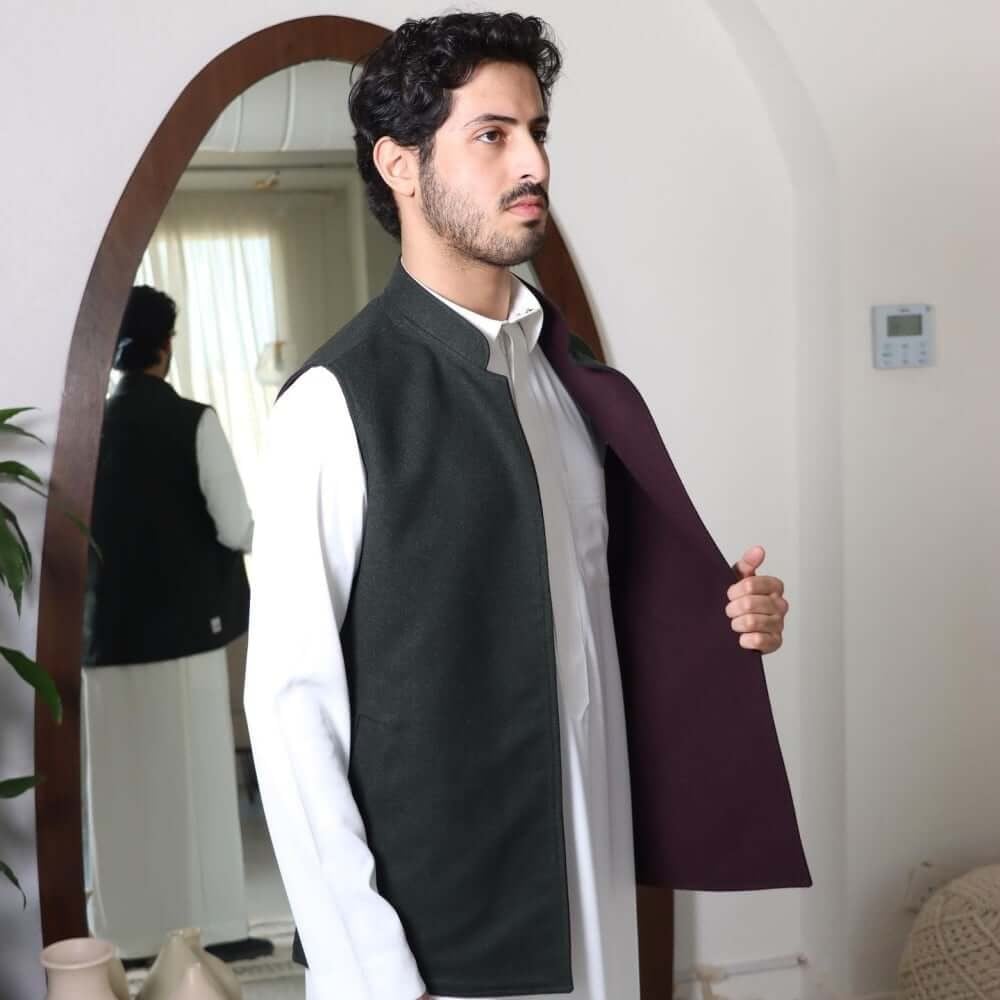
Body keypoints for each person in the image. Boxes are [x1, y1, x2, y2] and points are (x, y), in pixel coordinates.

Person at [244, 13, 808, 1000]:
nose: (533, 162)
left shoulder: (570, 383)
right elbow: (292, 713)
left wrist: (729, 618)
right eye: (492, 134)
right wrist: (370, 971)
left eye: (537, 131)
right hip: (438, 940)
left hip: (595, 890)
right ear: (400, 165)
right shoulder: (335, 404)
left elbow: (598, 615)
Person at [82, 285, 254, 958]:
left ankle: (125, 936)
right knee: (198, 789)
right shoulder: (193, 421)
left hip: (105, 636)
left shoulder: (85, 427)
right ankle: (216, 932)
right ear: (166, 346)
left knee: (119, 794)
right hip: (186, 633)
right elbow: (236, 528)